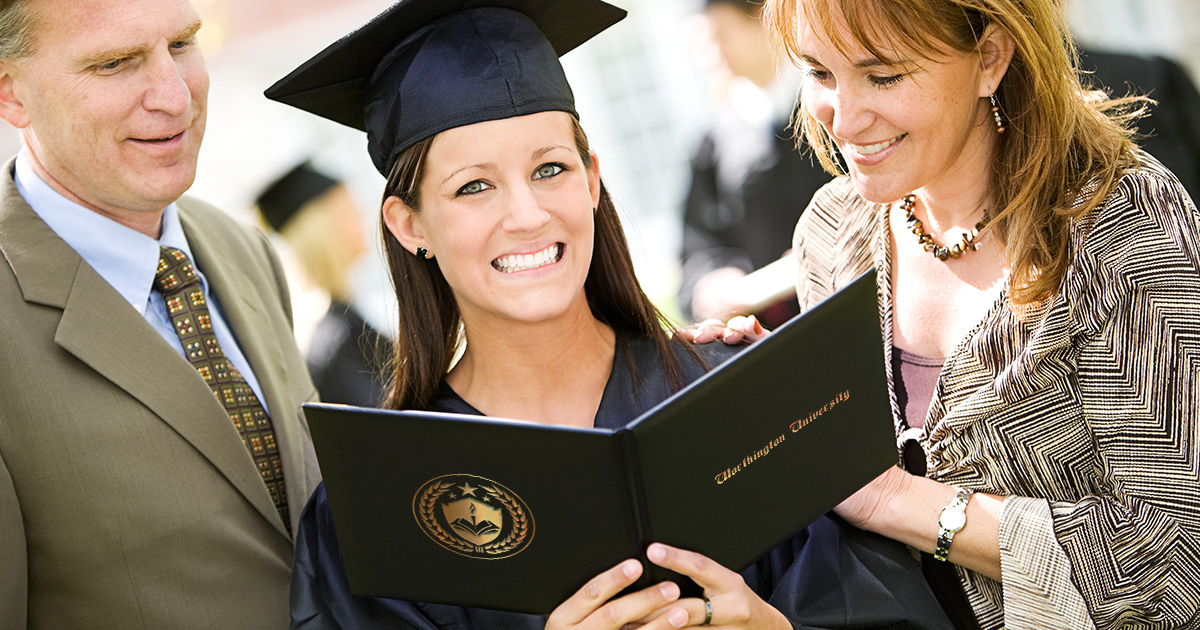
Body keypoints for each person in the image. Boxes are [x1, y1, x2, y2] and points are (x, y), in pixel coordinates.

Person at [267, 0, 954, 628]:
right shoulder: (378, 510)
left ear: (592, 178)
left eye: (550, 169)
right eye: (473, 186)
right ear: (408, 222)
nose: (528, 215)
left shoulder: (747, 404)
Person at [729, 0, 1199, 627]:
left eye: (884, 76)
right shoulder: (833, 233)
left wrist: (898, 500)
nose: (842, 118)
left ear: (990, 58)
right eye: (818, 73)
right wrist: (760, 402)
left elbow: (1170, 565)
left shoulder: (1122, 224)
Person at [0, 0, 321, 627]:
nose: (175, 97)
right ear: (12, 95)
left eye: (181, 44)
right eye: (115, 63)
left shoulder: (242, 250)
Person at [679, 0, 831, 328]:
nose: (712, 55)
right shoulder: (716, 140)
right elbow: (701, 243)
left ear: (764, 20)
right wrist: (715, 281)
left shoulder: (829, 104)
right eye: (702, 43)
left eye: (722, 36)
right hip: (774, 329)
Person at [255, 161, 391, 407]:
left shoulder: (348, 316)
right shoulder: (334, 340)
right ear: (322, 230)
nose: (363, 217)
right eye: (348, 209)